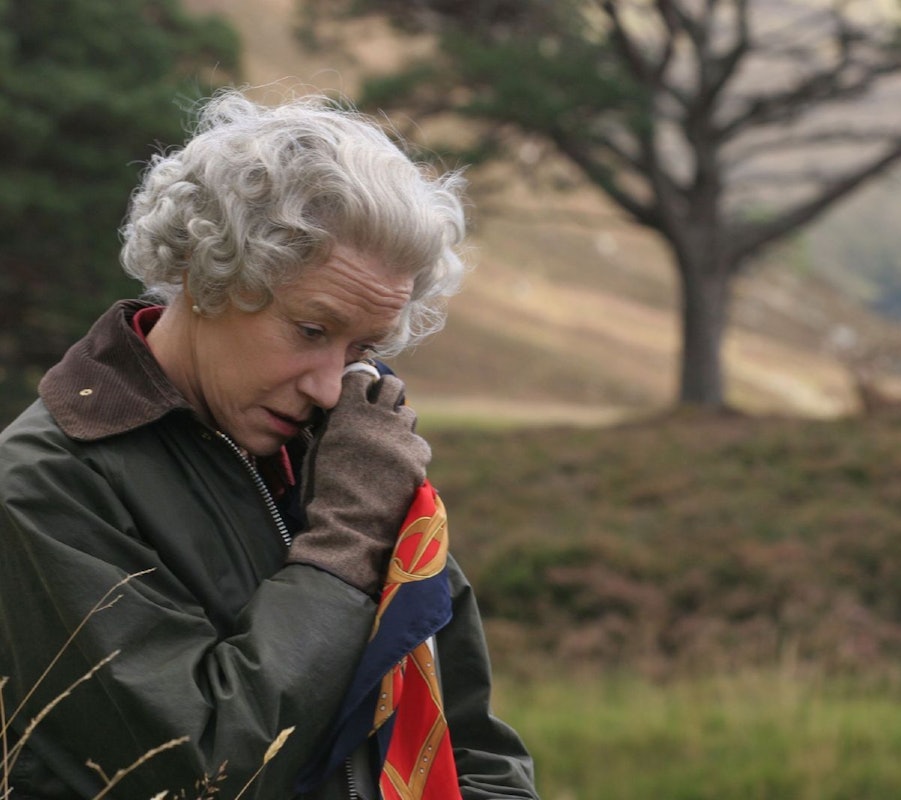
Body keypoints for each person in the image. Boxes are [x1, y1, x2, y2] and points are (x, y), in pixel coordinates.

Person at [0, 89, 539, 800]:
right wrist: (347, 546)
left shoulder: (348, 451)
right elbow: (202, 769)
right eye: (312, 330)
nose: (330, 385)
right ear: (205, 274)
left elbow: (468, 746)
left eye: (363, 347)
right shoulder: (45, 484)